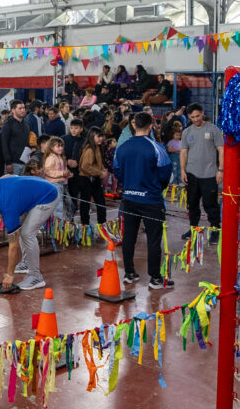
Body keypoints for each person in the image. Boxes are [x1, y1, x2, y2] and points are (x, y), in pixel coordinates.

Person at [114, 112, 173, 289]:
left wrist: (130, 185)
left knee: (129, 237)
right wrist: (154, 188)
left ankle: (129, 273)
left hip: (129, 199)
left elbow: (117, 172)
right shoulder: (156, 147)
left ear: (134, 125)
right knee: (154, 240)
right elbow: (165, 174)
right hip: (152, 201)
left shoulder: (122, 148)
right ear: (151, 126)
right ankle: (155, 278)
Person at [0, 176, 59, 292]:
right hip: (38, 188)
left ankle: (36, 277)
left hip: (48, 196)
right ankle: (27, 264)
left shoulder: (8, 210)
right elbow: (8, 176)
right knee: (22, 229)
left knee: (27, 234)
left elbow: (13, 245)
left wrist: (9, 275)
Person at [180, 103, 223, 241]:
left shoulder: (213, 129)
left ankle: (215, 230)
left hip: (210, 174)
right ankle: (193, 229)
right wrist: (182, 170)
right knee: (192, 204)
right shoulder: (187, 132)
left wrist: (220, 170)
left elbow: (221, 150)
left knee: (211, 204)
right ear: (188, 117)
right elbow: (184, 153)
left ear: (203, 113)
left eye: (198, 116)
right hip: (192, 174)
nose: (196, 119)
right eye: (192, 117)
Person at [78, 128, 108, 225]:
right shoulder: (90, 149)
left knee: (101, 203)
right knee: (85, 204)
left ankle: (102, 224)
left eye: (101, 136)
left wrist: (103, 169)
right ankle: (85, 226)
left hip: (94, 179)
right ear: (92, 136)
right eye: (98, 136)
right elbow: (85, 166)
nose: (101, 138)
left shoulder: (97, 147)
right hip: (86, 179)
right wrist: (100, 172)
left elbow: (98, 162)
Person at [0, 100, 30, 175]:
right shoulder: (8, 124)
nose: (23, 110)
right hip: (13, 163)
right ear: (13, 110)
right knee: (11, 186)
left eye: (23, 108)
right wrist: (8, 162)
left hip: (25, 163)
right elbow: (4, 144)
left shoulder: (27, 125)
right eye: (20, 108)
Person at [42, 136, 70, 220]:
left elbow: (61, 169)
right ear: (51, 147)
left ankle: (59, 224)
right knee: (58, 206)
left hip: (60, 184)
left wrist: (67, 173)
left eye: (62, 146)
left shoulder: (60, 157)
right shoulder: (51, 158)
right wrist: (62, 173)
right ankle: (57, 226)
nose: (60, 148)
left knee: (62, 205)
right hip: (54, 184)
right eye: (58, 146)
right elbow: (48, 171)